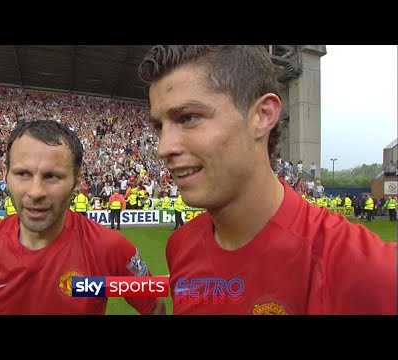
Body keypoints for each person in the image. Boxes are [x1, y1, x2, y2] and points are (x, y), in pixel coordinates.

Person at [138, 45, 397, 315]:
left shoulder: (369, 269)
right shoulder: (180, 247)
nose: (163, 147)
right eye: (159, 127)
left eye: (189, 117)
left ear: (263, 116)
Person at [0, 120, 166, 315]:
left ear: (77, 181)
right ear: (5, 175)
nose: (35, 192)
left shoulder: (108, 247)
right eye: (23, 174)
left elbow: (154, 305)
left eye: (52, 176)